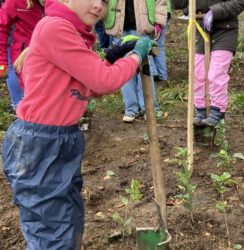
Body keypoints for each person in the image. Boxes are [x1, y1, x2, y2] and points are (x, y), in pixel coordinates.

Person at [1, 0, 153, 248]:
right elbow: (103, 82)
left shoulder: (74, 34)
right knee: (50, 230)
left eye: (104, 1)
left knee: (68, 219)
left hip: (61, 138)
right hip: (39, 144)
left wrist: (112, 56)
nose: (98, 6)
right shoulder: (55, 28)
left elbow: (89, 86)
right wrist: (135, 56)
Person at [171, 0, 244, 127]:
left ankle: (217, 110)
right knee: (197, 73)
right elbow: (178, 4)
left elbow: (239, 3)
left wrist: (214, 12)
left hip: (225, 30)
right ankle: (200, 109)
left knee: (216, 73)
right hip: (200, 29)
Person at [105, 0, 167, 122]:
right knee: (123, 68)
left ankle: (149, 108)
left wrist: (158, 22)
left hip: (143, 28)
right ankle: (130, 109)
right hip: (120, 28)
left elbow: (161, 2)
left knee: (145, 69)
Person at [0, 0, 45, 108]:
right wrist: (2, 62)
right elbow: (1, 26)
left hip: (49, 54)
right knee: (27, 89)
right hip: (24, 55)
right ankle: (18, 107)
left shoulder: (58, 3)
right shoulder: (16, 2)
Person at [152, 0, 171, 83]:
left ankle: (152, 72)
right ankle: (162, 75)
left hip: (154, 12)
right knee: (159, 44)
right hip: (165, 11)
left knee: (147, 42)